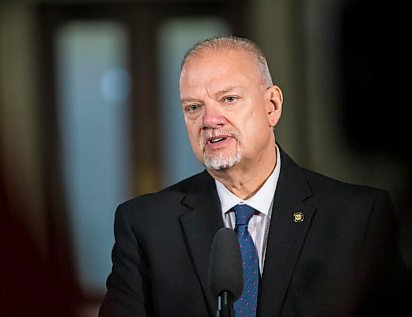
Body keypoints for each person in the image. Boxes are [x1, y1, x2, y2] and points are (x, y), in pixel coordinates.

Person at [98, 36, 407, 316]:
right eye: (193, 107)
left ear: (272, 106)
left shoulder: (358, 217)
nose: (209, 120)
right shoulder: (145, 225)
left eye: (229, 99)